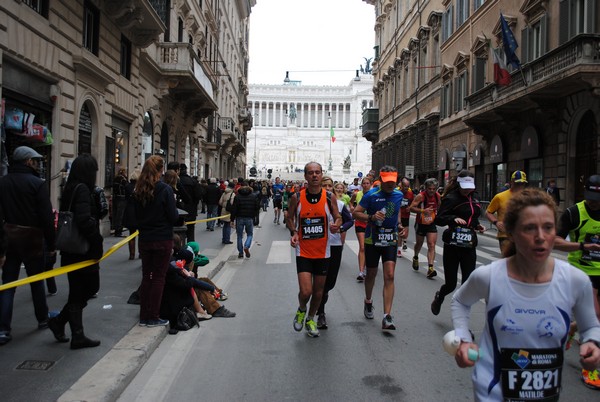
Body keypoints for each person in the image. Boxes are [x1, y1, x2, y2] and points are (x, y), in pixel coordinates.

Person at [450, 188, 600, 400]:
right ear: (511, 232)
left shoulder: (575, 280)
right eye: (529, 228)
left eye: (548, 228)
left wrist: (592, 343)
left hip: (546, 394)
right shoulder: (489, 276)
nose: (540, 237)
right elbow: (460, 301)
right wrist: (463, 339)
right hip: (492, 392)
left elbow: (591, 326)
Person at [47, 154, 104, 349]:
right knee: (86, 288)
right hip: (82, 250)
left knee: (78, 291)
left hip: (72, 250)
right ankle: (74, 333)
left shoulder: (71, 188)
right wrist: (97, 240)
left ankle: (63, 325)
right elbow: (84, 220)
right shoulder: (82, 190)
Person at [0, 146, 55, 345]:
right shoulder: (37, 184)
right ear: (27, 162)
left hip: (10, 238)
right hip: (32, 238)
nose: (37, 164)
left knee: (8, 284)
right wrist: (52, 242)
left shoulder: (3, 182)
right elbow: (46, 217)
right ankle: (42, 318)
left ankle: (3, 329)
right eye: (35, 160)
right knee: (36, 281)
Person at [554, 174, 600, 389]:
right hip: (582, 272)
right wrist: (582, 247)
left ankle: (572, 328)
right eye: (591, 197)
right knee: (595, 317)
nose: (594, 202)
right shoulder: (574, 212)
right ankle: (590, 368)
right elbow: (555, 241)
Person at [287, 162, 341, 337]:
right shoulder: (296, 197)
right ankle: (302, 308)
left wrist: (336, 225)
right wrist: (294, 231)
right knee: (306, 291)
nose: (315, 176)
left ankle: (310, 318)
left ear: (321, 173)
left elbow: (338, 217)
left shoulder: (329, 197)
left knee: (318, 292)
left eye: (317, 172)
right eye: (311, 173)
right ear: (305, 176)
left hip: (323, 251)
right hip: (303, 250)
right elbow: (289, 217)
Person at [352, 166, 405, 331]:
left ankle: (386, 316)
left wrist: (400, 224)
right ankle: (368, 301)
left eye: (393, 182)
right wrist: (371, 217)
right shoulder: (371, 195)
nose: (391, 185)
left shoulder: (399, 194)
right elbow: (356, 213)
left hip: (390, 239)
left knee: (389, 275)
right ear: (381, 180)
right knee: (372, 274)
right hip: (372, 239)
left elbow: (396, 211)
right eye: (387, 182)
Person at [430, 170, 485, 316]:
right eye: (465, 187)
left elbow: (473, 215)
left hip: (469, 245)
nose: (468, 190)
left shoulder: (476, 197)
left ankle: (460, 312)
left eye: (470, 187)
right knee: (451, 284)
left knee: (468, 283)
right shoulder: (451, 198)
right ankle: (440, 296)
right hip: (453, 245)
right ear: (459, 184)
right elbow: (439, 219)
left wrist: (477, 225)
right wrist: (453, 218)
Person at [133, 155, 179, 327]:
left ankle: (144, 316)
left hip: (145, 239)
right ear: (161, 170)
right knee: (158, 278)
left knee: (146, 277)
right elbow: (173, 216)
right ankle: (153, 316)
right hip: (162, 239)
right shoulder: (165, 190)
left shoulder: (139, 189)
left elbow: (135, 216)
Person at [316, 176, 354, 329]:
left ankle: (319, 305)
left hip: (334, 245)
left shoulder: (339, 204)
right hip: (317, 246)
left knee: (330, 282)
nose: (327, 188)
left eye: (329, 186)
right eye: (324, 185)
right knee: (320, 283)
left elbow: (349, 220)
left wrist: (341, 228)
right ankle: (320, 312)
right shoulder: (313, 203)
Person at [486, 170, 528, 251]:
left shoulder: (528, 197)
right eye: (517, 183)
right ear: (511, 182)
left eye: (522, 184)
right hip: (506, 236)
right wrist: (496, 222)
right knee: (509, 261)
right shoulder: (500, 197)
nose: (520, 186)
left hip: (523, 235)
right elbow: (488, 212)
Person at [410, 178, 441, 279]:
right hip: (421, 223)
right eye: (429, 188)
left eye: (433, 189)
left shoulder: (437, 196)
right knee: (419, 243)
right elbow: (411, 208)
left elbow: (440, 207)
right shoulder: (420, 196)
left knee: (431, 245)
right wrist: (423, 211)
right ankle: (415, 257)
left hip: (431, 223)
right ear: (426, 188)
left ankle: (430, 268)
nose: (431, 191)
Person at [350, 176, 372, 282]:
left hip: (371, 224)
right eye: (364, 183)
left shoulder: (374, 195)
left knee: (369, 248)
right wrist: (352, 207)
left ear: (371, 184)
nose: (366, 185)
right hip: (360, 223)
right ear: (361, 184)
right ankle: (361, 271)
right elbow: (351, 202)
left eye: (368, 183)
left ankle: (368, 266)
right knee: (362, 247)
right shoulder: (357, 194)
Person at [230, 182, 259, 258]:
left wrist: (232, 219)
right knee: (250, 234)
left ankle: (240, 252)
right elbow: (257, 207)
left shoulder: (238, 196)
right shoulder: (253, 196)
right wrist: (255, 216)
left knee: (239, 236)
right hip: (249, 217)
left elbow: (234, 209)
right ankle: (246, 246)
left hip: (239, 218)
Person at [179, 164, 203, 242]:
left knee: (177, 231)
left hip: (178, 210)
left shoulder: (175, 180)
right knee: (190, 231)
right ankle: (191, 249)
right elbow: (198, 195)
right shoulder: (193, 181)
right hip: (191, 210)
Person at [124, 168, 141, 260]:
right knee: (141, 233)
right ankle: (141, 253)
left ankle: (131, 254)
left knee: (131, 234)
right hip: (139, 211)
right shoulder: (141, 187)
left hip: (129, 211)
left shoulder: (127, 186)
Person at [398, 177, 414, 254]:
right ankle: (399, 250)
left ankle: (404, 242)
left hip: (406, 216)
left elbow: (412, 203)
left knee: (405, 235)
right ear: (401, 185)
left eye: (408, 186)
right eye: (405, 186)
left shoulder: (410, 194)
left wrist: (410, 207)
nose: (406, 188)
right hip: (398, 216)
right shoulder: (397, 193)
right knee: (400, 233)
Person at [112, 167, 128, 236]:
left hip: (115, 198)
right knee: (120, 215)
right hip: (121, 198)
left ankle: (115, 229)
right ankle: (119, 230)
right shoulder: (123, 179)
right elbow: (126, 188)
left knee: (116, 214)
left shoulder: (115, 178)